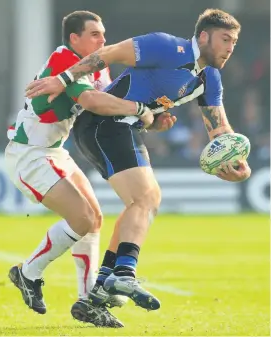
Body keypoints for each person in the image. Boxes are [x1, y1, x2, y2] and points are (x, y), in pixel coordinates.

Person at [26, 7, 252, 320]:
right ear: (203, 36)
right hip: (103, 123)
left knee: (142, 202)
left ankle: (102, 286)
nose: (230, 47)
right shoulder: (165, 46)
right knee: (145, 198)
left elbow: (219, 128)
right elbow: (106, 54)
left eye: (235, 42)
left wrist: (238, 161)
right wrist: (64, 80)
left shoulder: (210, 78)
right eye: (225, 39)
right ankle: (124, 274)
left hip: (127, 127)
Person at [6, 10, 157, 328]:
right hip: (29, 154)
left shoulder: (98, 67)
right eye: (94, 35)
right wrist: (140, 110)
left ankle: (87, 301)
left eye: (103, 33)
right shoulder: (64, 59)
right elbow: (92, 102)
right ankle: (28, 272)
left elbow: (109, 108)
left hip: (53, 151)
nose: (103, 40)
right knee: (83, 219)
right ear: (74, 39)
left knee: (94, 220)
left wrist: (153, 114)